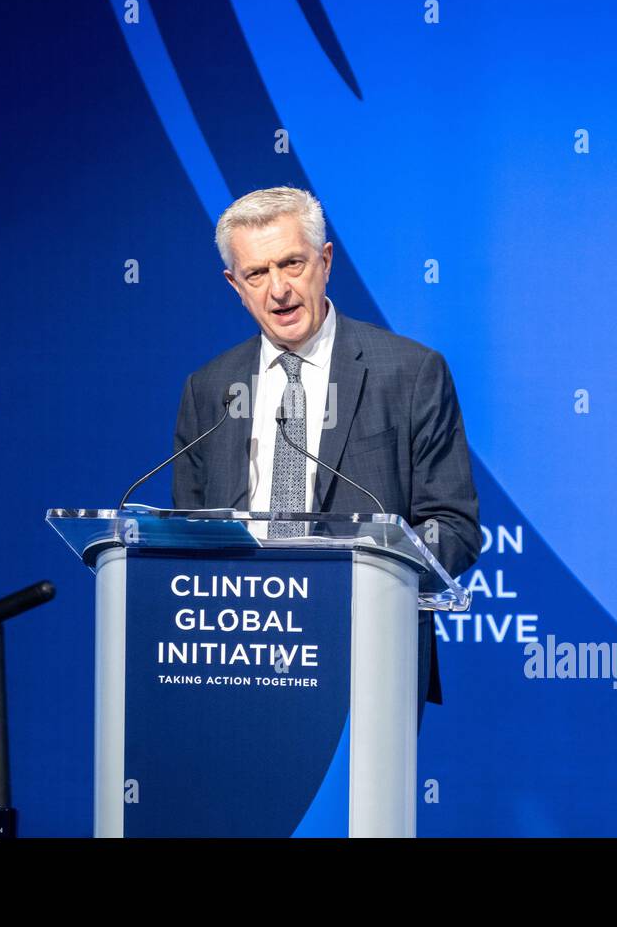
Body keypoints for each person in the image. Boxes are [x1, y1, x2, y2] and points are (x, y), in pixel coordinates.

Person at [172, 186, 481, 724]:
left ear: (325, 261)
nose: (279, 290)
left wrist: (371, 579)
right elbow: (190, 534)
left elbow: (452, 526)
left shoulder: (409, 374)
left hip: (367, 651)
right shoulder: (210, 388)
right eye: (257, 274)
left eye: (292, 263)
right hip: (235, 657)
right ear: (235, 286)